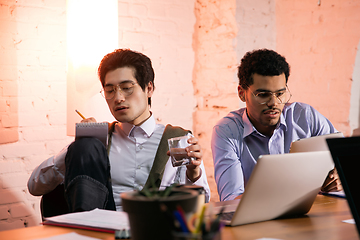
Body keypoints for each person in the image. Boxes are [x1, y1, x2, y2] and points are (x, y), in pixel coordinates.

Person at [28, 49, 210, 213]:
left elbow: (201, 205)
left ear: (149, 88)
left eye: (127, 88)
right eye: (109, 90)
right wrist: (79, 147)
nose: (118, 98)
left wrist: (193, 174)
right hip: (100, 230)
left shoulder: (179, 139)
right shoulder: (97, 141)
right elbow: (35, 186)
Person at [211, 49, 342, 201]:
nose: (274, 103)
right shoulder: (227, 131)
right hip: (258, 221)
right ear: (241, 93)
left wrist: (338, 175)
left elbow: (346, 159)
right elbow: (231, 200)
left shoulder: (305, 117)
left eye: (280, 94)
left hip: (312, 213)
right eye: (263, 95)